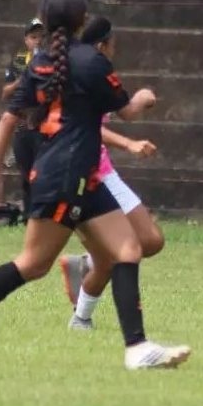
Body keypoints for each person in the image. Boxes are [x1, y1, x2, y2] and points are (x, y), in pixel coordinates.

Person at [0, 0, 191, 370]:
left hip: (78, 174)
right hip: (65, 176)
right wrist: (146, 97)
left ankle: (138, 348)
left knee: (128, 250)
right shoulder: (93, 62)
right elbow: (128, 111)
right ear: (83, 19)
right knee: (33, 263)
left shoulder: (40, 62)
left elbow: (8, 118)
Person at [57, 17, 165, 331]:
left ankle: (86, 266)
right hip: (88, 175)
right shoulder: (89, 68)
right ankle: (82, 318)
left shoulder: (86, 68)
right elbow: (119, 114)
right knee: (116, 256)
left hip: (104, 171)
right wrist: (141, 103)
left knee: (150, 241)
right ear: (104, 44)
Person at [3, 18, 44, 215]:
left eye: (41, 37)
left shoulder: (48, 59)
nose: (37, 41)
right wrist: (24, 78)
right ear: (26, 39)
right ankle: (29, 214)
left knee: (43, 171)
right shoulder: (19, 60)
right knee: (26, 172)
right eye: (33, 37)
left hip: (43, 123)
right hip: (22, 123)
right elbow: (6, 92)